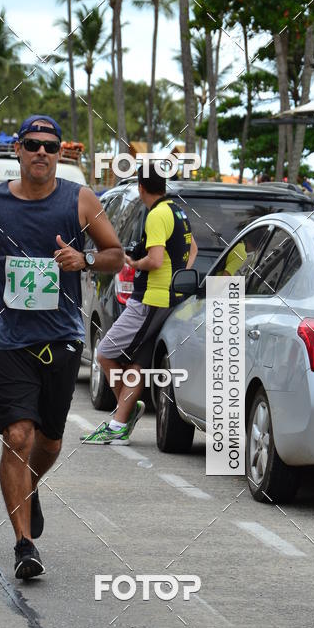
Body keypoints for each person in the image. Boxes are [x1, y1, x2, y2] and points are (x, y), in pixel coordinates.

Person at [0, 115, 124, 581]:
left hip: (62, 338)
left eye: (50, 147)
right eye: (32, 145)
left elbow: (116, 255)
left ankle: (27, 487)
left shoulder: (80, 200)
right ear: (18, 149)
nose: (42, 153)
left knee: (49, 440)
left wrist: (84, 258)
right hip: (8, 340)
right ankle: (24, 544)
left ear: (59, 154)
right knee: (17, 436)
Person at [81, 167, 197, 446]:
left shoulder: (157, 214)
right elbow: (192, 251)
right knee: (136, 364)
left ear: (142, 188)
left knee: (105, 353)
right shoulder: (178, 211)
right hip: (168, 299)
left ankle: (126, 413)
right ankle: (119, 424)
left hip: (150, 300)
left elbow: (155, 260)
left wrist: (134, 263)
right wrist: (178, 278)